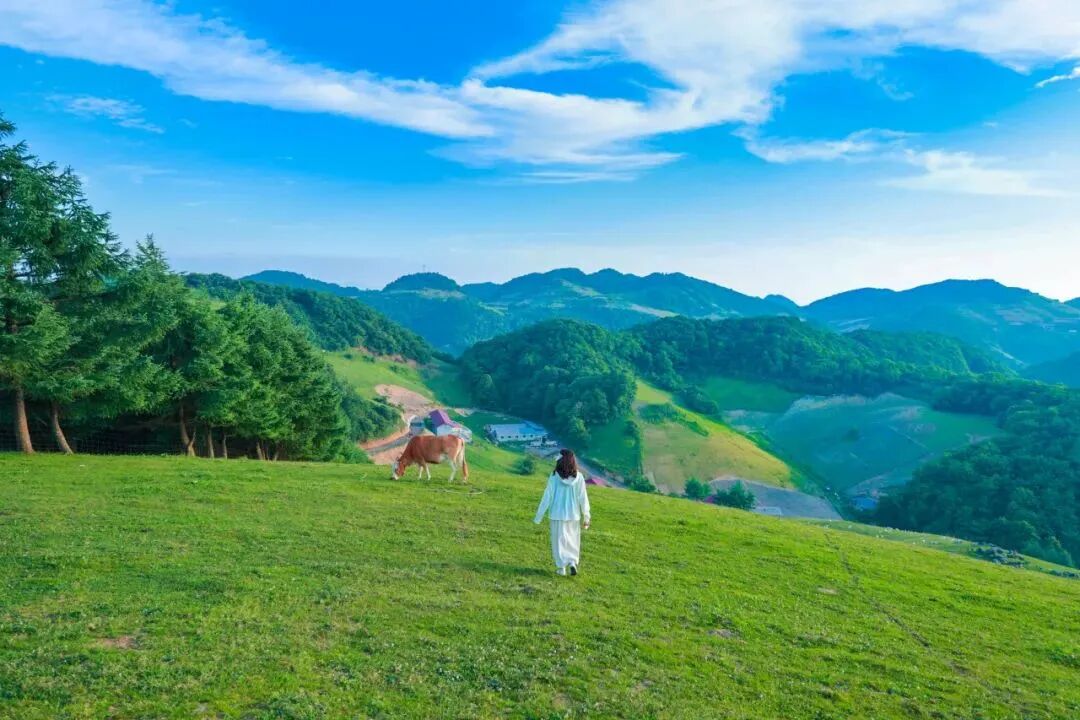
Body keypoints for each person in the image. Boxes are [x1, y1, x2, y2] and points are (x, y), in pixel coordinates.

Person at [533, 449, 591, 576]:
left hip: (557, 514)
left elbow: (547, 496)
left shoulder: (554, 476)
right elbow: (583, 498)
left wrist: (538, 516)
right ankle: (572, 562)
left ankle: (561, 568)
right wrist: (586, 516)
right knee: (572, 540)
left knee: (558, 541)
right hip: (573, 515)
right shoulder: (579, 477)